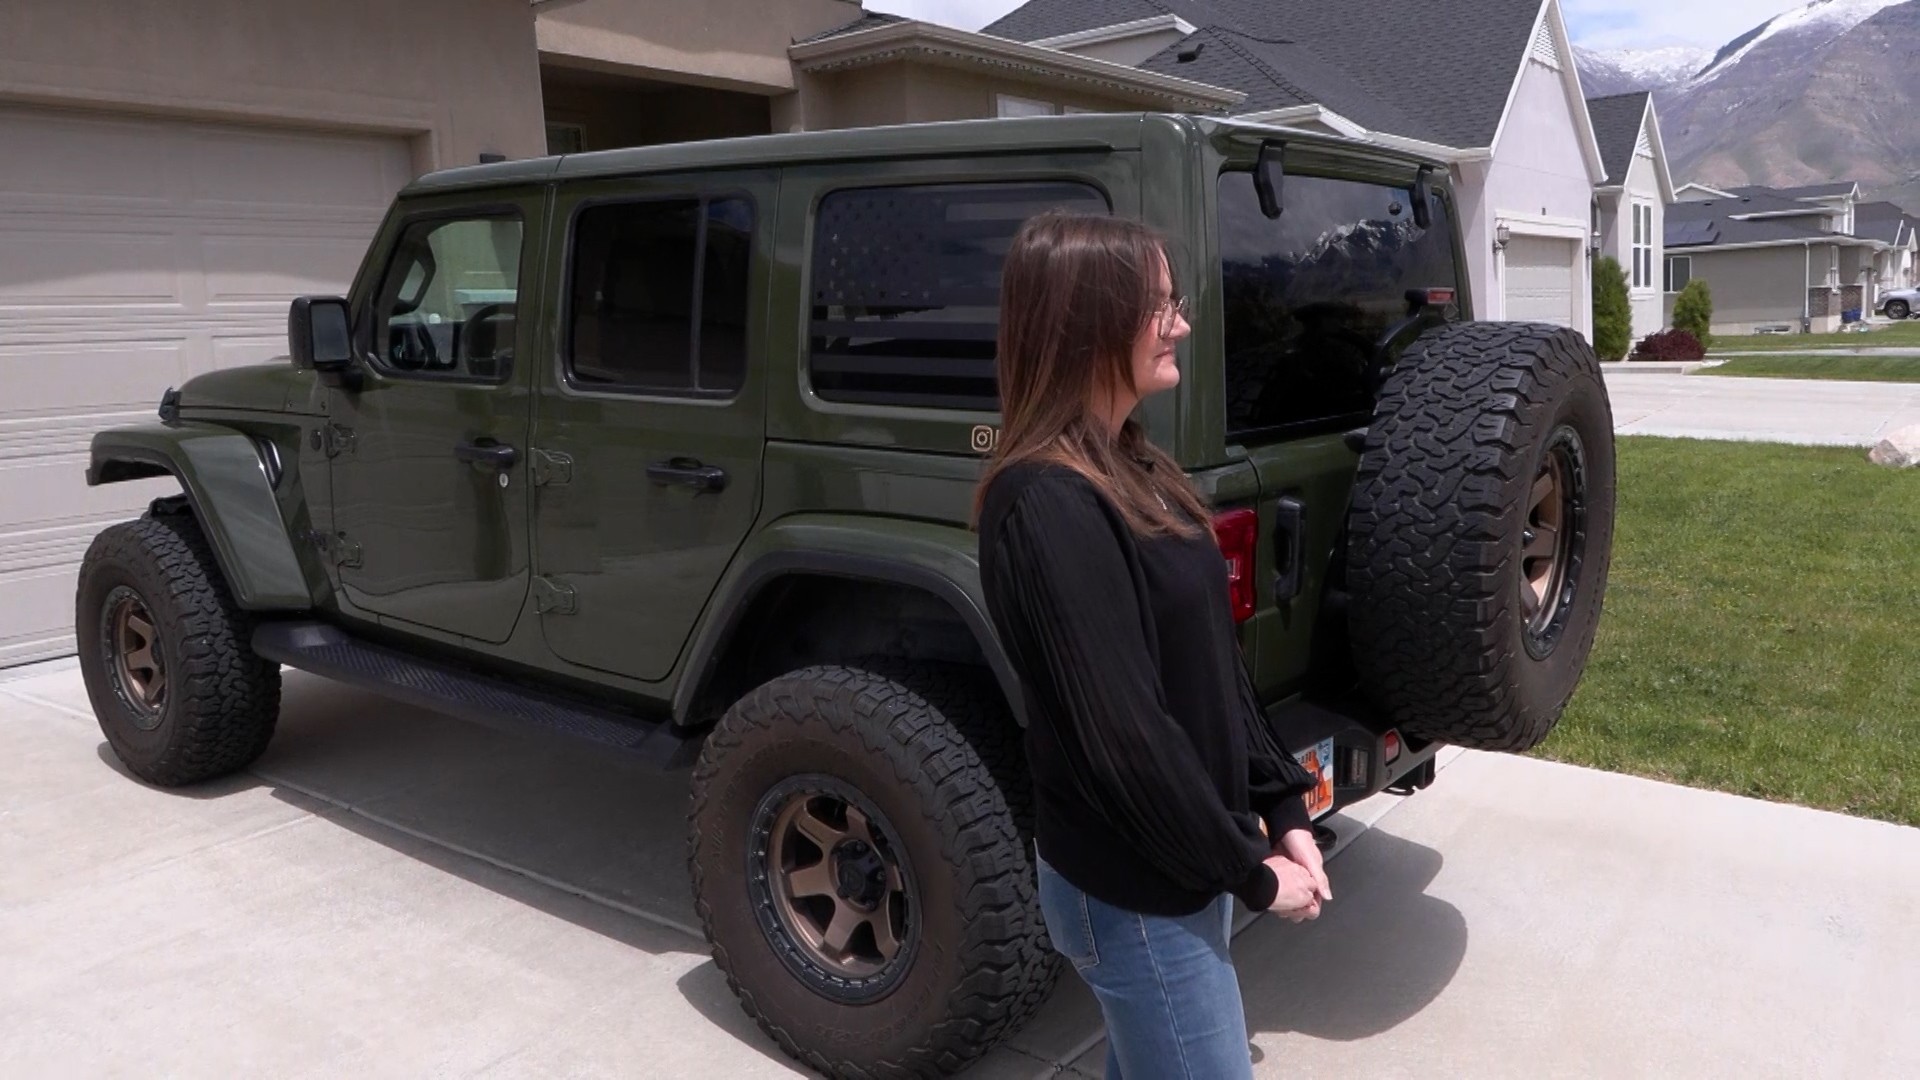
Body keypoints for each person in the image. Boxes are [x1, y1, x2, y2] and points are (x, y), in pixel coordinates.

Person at [975, 213, 1332, 1079]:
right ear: (1090, 323)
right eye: (1160, 306)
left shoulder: (1134, 464)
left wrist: (1283, 806)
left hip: (1180, 865)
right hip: (1131, 890)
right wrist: (1248, 870)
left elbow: (1211, 670)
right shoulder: (1046, 505)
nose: (1180, 322)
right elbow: (1124, 738)